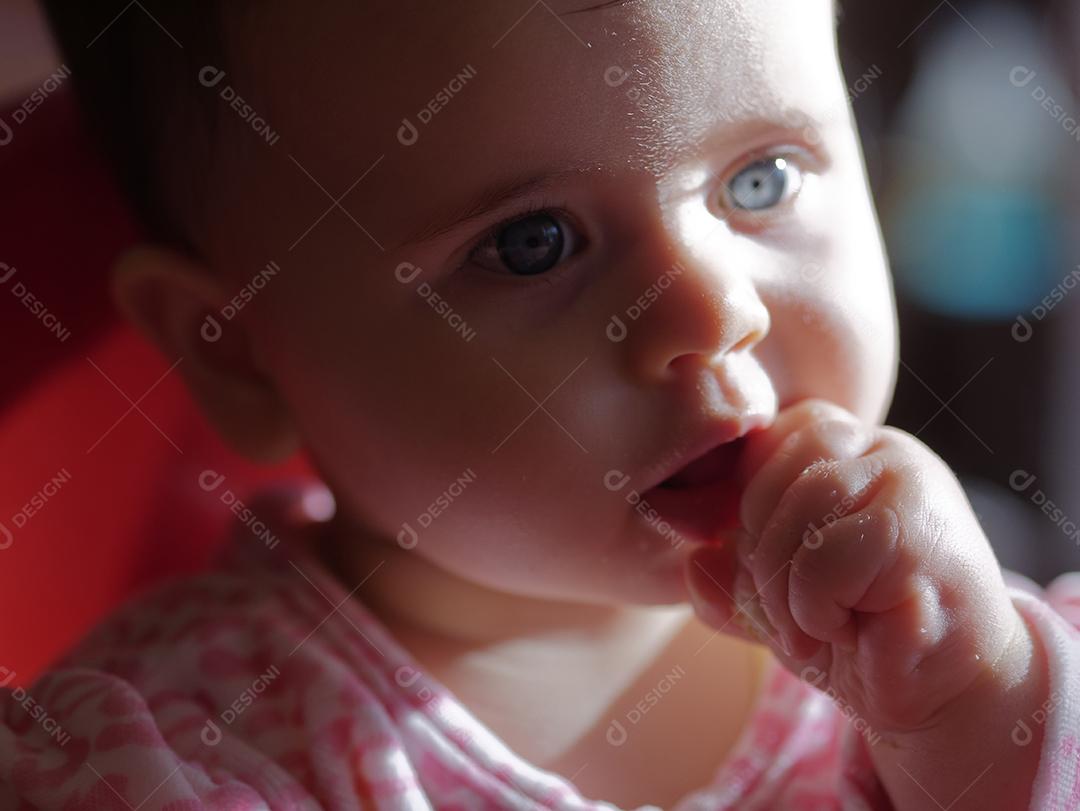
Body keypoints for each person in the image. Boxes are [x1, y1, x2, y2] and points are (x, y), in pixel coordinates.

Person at [3, 1, 1079, 808]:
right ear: (236, 350)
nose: (711, 312)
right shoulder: (174, 761)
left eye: (762, 180)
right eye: (534, 244)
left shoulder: (940, 640)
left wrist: (975, 708)